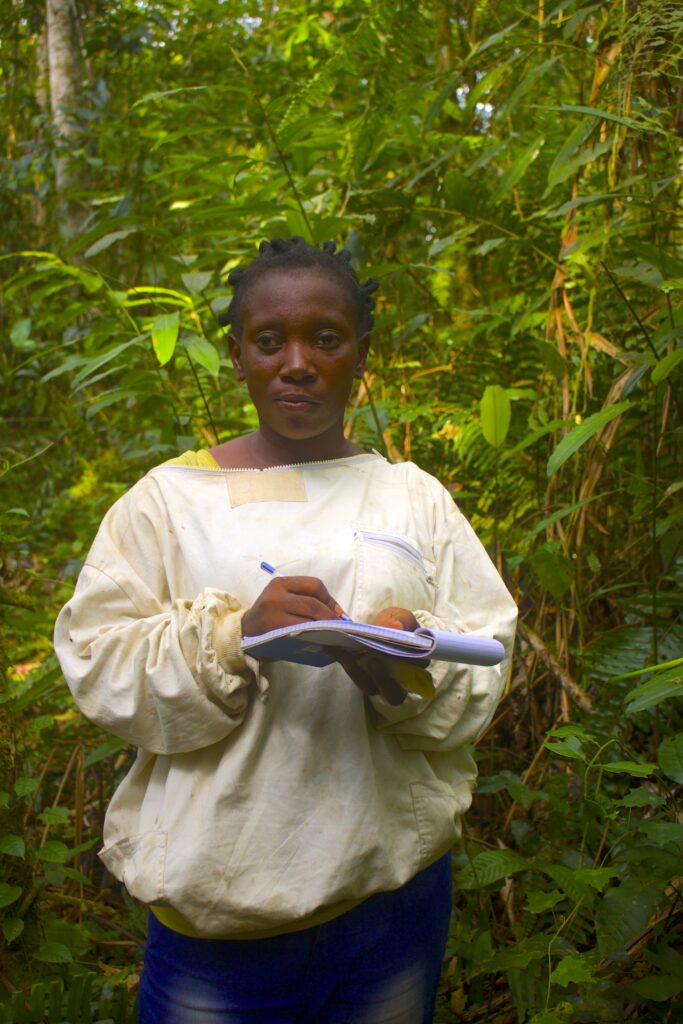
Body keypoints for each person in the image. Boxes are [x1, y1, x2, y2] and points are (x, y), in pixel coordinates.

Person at [54, 237, 518, 1024]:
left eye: (325, 338)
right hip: (222, 915)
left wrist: (408, 658)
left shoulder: (409, 497)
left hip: (391, 900)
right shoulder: (166, 501)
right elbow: (98, 661)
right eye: (270, 341)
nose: (297, 362)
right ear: (237, 355)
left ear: (360, 354)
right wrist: (233, 637)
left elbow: (488, 646)